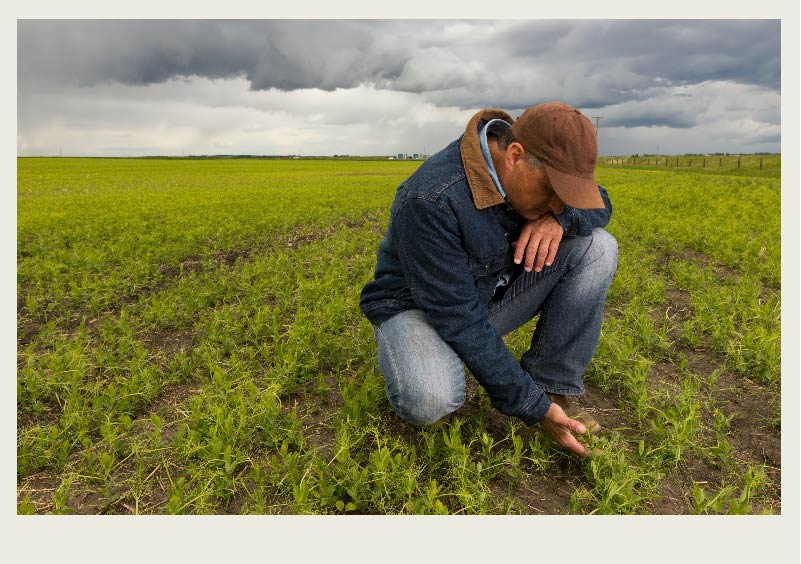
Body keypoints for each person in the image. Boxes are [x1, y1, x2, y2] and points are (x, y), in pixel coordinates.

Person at [359, 102, 617, 457]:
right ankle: (418, 353)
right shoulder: (432, 198)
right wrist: (532, 407)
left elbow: (599, 203)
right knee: (429, 398)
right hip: (418, 307)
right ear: (515, 155)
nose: (557, 204)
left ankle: (552, 386)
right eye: (552, 193)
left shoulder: (541, 178)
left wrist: (560, 220)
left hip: (485, 298)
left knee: (598, 246)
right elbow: (459, 317)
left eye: (566, 196)